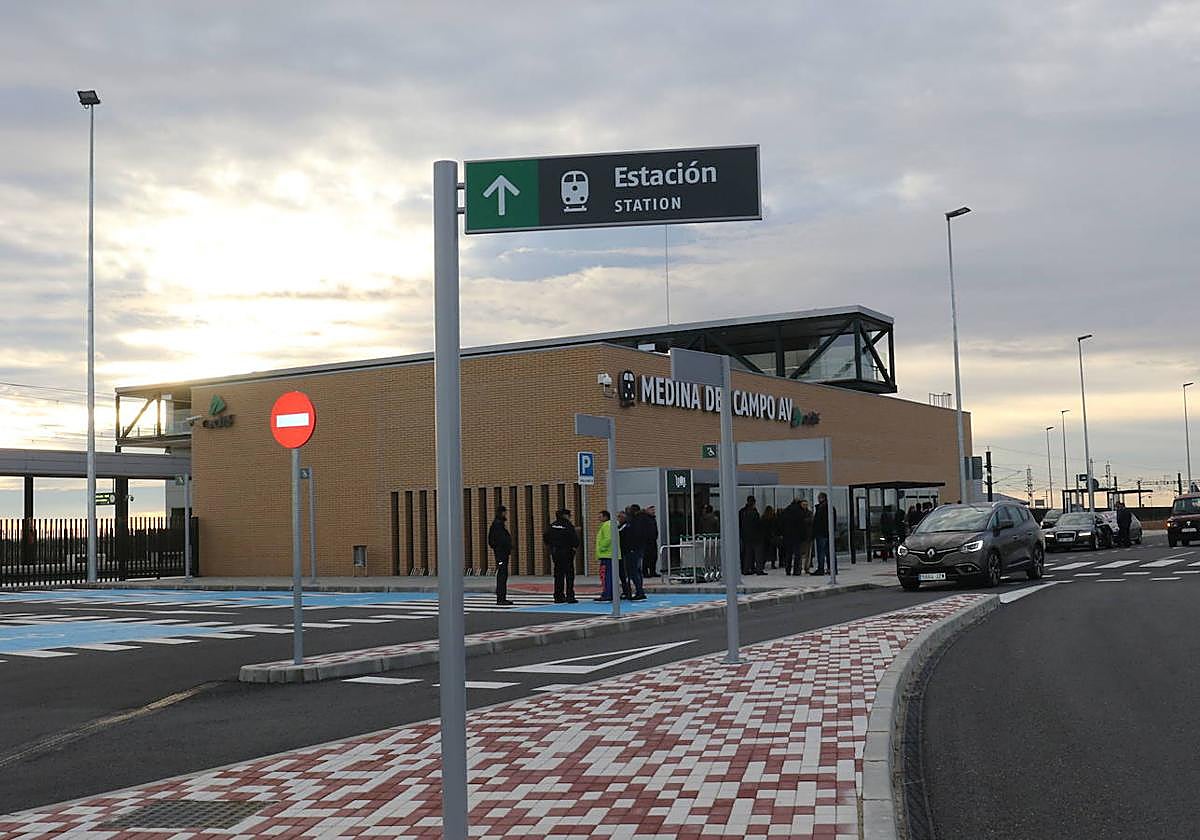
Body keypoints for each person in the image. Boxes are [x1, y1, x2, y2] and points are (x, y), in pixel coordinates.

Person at [543, 508, 580, 604]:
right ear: (565, 515)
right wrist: (574, 548)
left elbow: (546, 537)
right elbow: (575, 539)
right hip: (567, 552)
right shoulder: (568, 526)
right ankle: (570, 596)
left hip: (556, 553)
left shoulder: (552, 526)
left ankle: (558, 596)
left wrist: (551, 547)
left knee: (558, 575)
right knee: (569, 575)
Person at [593, 509, 626, 602]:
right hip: (612, 554)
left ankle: (607, 594)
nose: (599, 518)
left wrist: (601, 548)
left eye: (600, 516)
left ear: (605, 517)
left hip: (607, 554)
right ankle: (610, 594)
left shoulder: (607, 525)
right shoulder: (611, 525)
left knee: (606, 576)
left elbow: (608, 538)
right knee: (611, 576)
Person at [487, 505, 514, 605]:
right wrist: (503, 547)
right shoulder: (498, 525)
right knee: (502, 574)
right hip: (501, 553)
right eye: (504, 512)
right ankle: (501, 598)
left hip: (501, 552)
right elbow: (497, 540)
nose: (506, 514)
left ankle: (502, 597)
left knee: (503, 574)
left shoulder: (498, 524)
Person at [618, 509, 646, 600]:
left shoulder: (629, 525)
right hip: (633, 550)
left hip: (631, 551)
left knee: (633, 572)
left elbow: (626, 538)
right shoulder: (634, 523)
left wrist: (631, 549)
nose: (618, 519)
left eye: (620, 517)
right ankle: (636, 591)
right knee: (635, 572)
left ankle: (639, 592)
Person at [739, 496, 764, 576]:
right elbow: (758, 525)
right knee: (758, 554)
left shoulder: (742, 512)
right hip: (756, 537)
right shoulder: (754, 512)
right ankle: (759, 569)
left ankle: (746, 569)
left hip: (746, 536)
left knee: (747, 554)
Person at [813, 492, 837, 575]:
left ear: (822, 498)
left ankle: (821, 569)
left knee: (821, 552)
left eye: (819, 498)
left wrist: (816, 531)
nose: (818, 499)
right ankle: (832, 569)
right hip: (829, 533)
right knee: (830, 552)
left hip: (822, 533)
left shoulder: (822, 508)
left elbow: (818, 522)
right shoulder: (831, 507)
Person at [643, 505, 660, 578]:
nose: (653, 512)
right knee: (646, 557)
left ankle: (653, 571)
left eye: (654, 510)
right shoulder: (644, 519)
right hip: (646, 542)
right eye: (652, 510)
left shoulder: (653, 519)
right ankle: (645, 572)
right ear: (647, 510)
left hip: (653, 541)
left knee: (654, 557)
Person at [761, 505, 780, 571]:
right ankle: (773, 564)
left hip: (765, 537)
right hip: (772, 537)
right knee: (772, 551)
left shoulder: (763, 518)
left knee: (764, 551)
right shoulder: (773, 518)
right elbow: (776, 527)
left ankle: (762, 564)